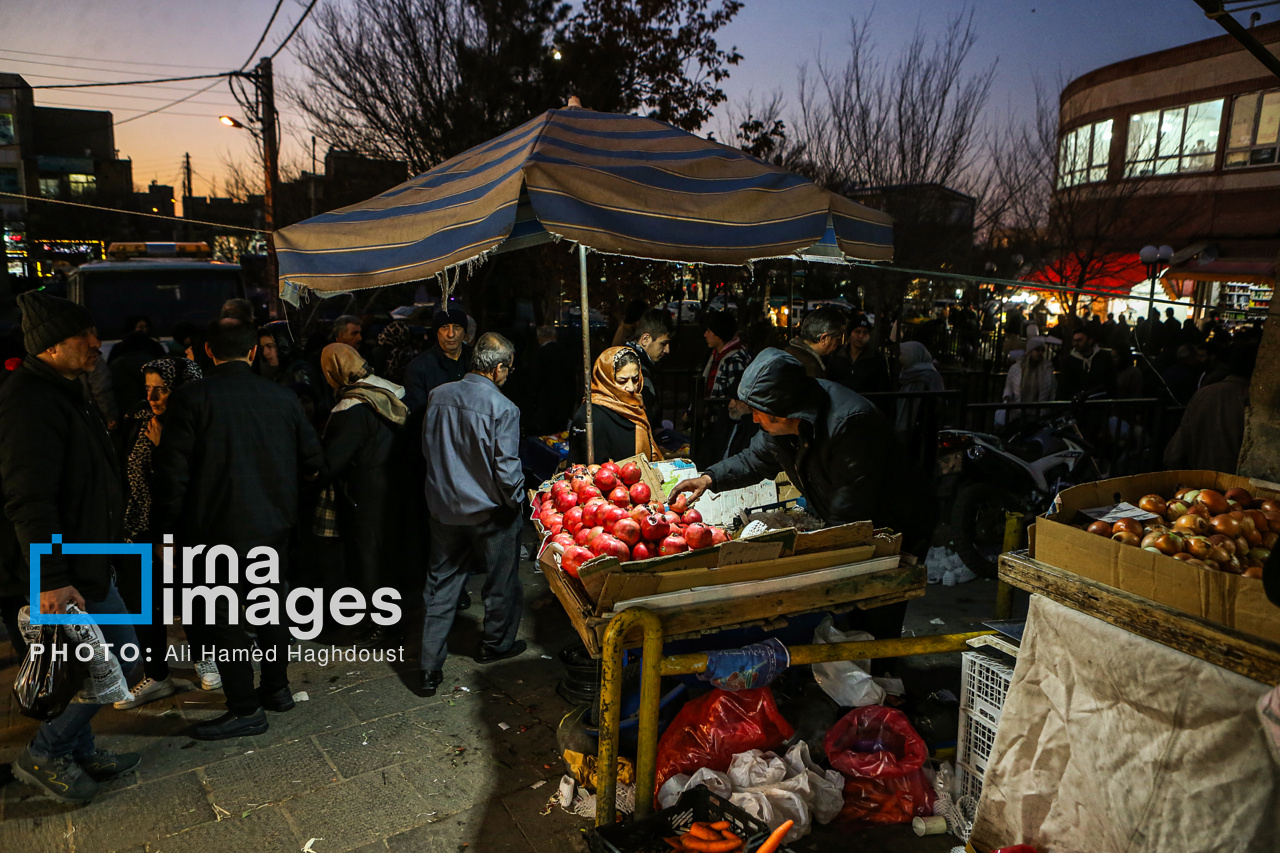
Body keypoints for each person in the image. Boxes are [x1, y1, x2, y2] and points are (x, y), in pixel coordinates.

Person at [668, 349, 935, 641]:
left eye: (759, 413)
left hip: (895, 522)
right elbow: (754, 460)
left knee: (876, 605)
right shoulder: (782, 422)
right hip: (850, 516)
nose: (755, 420)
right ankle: (843, 662)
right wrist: (708, 478)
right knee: (845, 612)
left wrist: (808, 559)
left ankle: (879, 676)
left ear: (786, 412)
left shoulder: (850, 425)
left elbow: (850, 512)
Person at [154, 318, 325, 740]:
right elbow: (313, 464)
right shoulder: (282, 398)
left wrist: (164, 532)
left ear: (208, 352)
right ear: (251, 352)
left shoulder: (191, 399)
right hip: (273, 527)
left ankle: (245, 708)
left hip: (215, 531)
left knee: (224, 621)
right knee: (269, 612)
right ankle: (277, 689)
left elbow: (171, 476)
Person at [0, 291, 141, 804]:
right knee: (120, 659)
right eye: (82, 337)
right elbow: (30, 498)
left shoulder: (65, 389)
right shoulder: (29, 400)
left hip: (88, 558)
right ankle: (45, 753)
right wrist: (52, 577)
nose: (95, 343)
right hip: (66, 568)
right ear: (51, 347)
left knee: (83, 663)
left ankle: (78, 748)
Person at [418, 333, 526, 697]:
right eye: (508, 370)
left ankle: (429, 667)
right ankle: (495, 645)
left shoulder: (438, 395)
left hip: (443, 509)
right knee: (501, 583)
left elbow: (427, 449)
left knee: (441, 585)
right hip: (488, 514)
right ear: (497, 368)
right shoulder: (504, 408)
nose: (508, 375)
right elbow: (508, 473)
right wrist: (518, 503)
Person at [114, 356, 210, 709]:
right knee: (144, 602)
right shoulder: (138, 419)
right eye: (148, 389)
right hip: (137, 526)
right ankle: (156, 674)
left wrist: (162, 448)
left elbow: (191, 480)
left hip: (180, 527)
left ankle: (205, 659)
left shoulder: (195, 422)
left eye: (162, 389)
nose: (153, 397)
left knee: (191, 595)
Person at [319, 343, 411, 631]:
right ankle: (397, 613)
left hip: (366, 493)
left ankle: (380, 623)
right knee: (389, 550)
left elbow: (333, 461)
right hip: (395, 484)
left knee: (369, 557)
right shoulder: (386, 392)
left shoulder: (351, 407)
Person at [1163, 343, 1257, 473]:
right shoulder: (1256, 401)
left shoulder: (1204, 394)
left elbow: (1176, 451)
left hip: (1201, 481)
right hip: (1239, 485)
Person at [569, 347, 660, 464]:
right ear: (606, 379)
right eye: (622, 381)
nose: (631, 388)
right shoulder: (590, 416)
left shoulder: (636, 410)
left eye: (636, 379)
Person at [697, 311, 752, 467]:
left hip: (725, 421)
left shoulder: (735, 358)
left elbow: (736, 392)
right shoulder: (716, 354)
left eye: (709, 331)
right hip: (715, 418)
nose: (705, 334)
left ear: (718, 334)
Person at [403, 309, 471, 413]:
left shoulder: (476, 360)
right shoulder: (418, 368)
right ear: (437, 332)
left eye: (456, 327)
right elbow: (417, 413)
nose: (451, 334)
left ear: (464, 332)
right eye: (445, 327)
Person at [519, 325, 579, 437]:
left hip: (542, 413)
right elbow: (573, 384)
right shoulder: (567, 354)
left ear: (539, 338)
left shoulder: (537, 355)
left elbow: (533, 384)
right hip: (562, 411)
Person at [625, 308, 674, 431]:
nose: (667, 350)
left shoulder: (625, 359)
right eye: (663, 344)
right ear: (645, 339)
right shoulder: (637, 371)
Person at [828, 313, 892, 394]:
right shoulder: (836, 355)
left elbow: (882, 388)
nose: (861, 336)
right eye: (857, 332)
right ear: (850, 334)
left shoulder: (877, 359)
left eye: (865, 332)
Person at [999, 337, 1055, 426]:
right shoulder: (1017, 368)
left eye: (1042, 350)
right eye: (1037, 350)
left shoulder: (1046, 369)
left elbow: (1052, 389)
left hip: (1037, 412)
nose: (1040, 353)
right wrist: (1007, 397)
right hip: (1018, 411)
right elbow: (1009, 385)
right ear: (1030, 351)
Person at [895, 341, 945, 435]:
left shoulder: (929, 374)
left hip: (924, 425)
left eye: (902, 354)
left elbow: (934, 402)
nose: (900, 358)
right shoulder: (908, 372)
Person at [784, 306, 846, 379]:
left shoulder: (787, 351)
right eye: (839, 339)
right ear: (824, 338)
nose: (841, 343)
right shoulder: (811, 367)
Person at [1059, 328, 1115, 399]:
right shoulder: (1069, 361)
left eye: (1080, 340)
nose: (1076, 344)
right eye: (1074, 341)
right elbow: (1063, 386)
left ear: (1090, 341)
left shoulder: (1104, 358)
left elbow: (1110, 382)